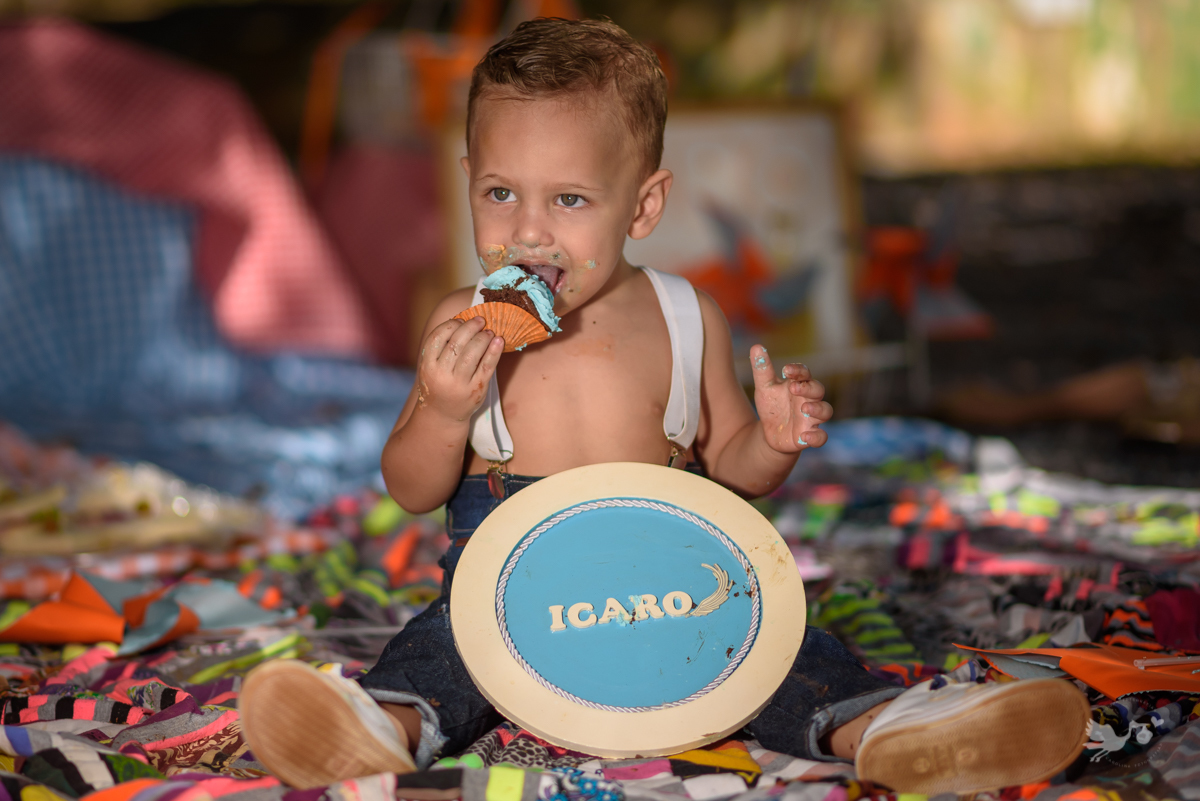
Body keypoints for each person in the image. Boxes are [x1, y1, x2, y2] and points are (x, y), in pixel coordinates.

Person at [239, 18, 1090, 795]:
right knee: (442, 652)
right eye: (500, 193)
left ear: (643, 205)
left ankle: (889, 731)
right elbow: (412, 486)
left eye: (569, 200)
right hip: (512, 598)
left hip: (675, 589)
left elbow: (734, 469)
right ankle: (378, 729)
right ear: (466, 181)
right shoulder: (461, 325)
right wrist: (444, 409)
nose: (528, 231)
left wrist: (775, 440)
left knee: (780, 652)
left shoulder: (686, 318)